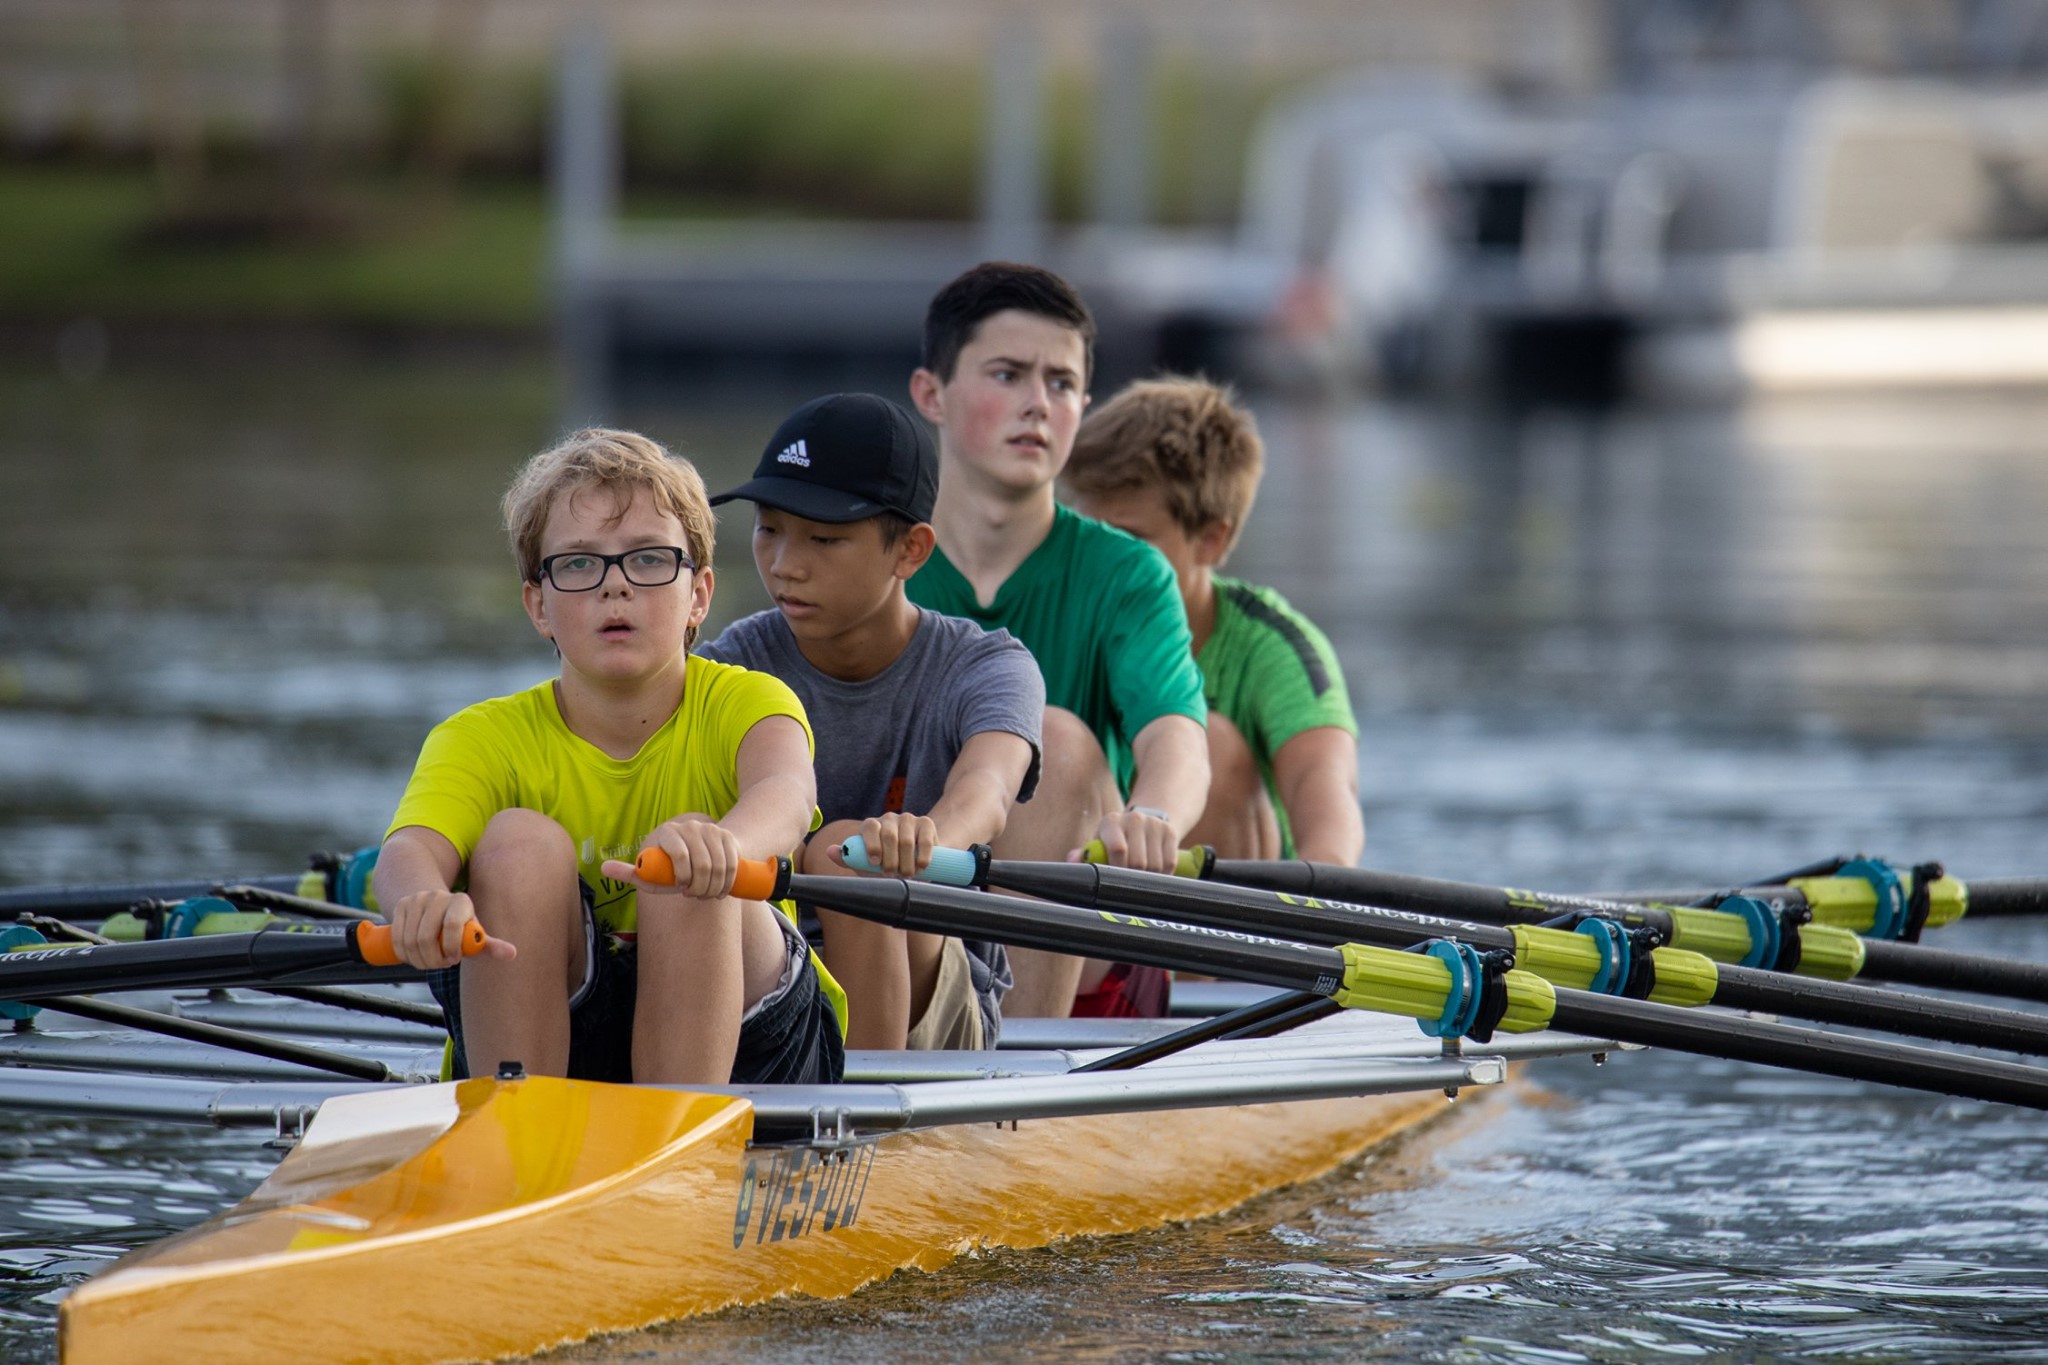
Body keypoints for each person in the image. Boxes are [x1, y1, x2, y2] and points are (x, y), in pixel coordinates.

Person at [372, 428, 846, 1086]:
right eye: (579, 563)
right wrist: (422, 901)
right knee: (514, 844)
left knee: (683, 857)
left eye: (648, 559)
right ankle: (517, 1126)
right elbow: (406, 853)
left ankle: (676, 1136)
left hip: (755, 1044)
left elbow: (787, 797)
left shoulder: (751, 701)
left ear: (699, 594)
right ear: (538, 604)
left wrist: (726, 845)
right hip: (559, 1016)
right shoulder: (477, 737)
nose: (614, 587)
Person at [906, 261, 1211, 1018]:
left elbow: (1176, 734)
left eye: (1063, 383)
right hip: (902, 901)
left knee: (1056, 740)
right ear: (930, 394)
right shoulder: (873, 558)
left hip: (1085, 953)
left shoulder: (1128, 573)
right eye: (1008, 374)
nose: (1039, 404)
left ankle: (1013, 1090)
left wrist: (1159, 819)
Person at [699, 392, 1044, 1051]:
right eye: (769, 528)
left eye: (824, 538)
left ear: (910, 551)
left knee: (845, 854)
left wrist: (931, 838)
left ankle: (872, 1112)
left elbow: (989, 792)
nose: (783, 564)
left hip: (933, 1000)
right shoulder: (728, 665)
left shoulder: (988, 665)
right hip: (770, 970)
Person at [1062, 376, 1364, 866]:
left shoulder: (1276, 648)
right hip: (1080, 880)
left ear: (1211, 540)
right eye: (1090, 536)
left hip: (1233, 917)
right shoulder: (1053, 612)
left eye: (1129, 539)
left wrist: (1326, 872)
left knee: (1213, 743)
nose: (1102, 563)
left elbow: (1330, 817)